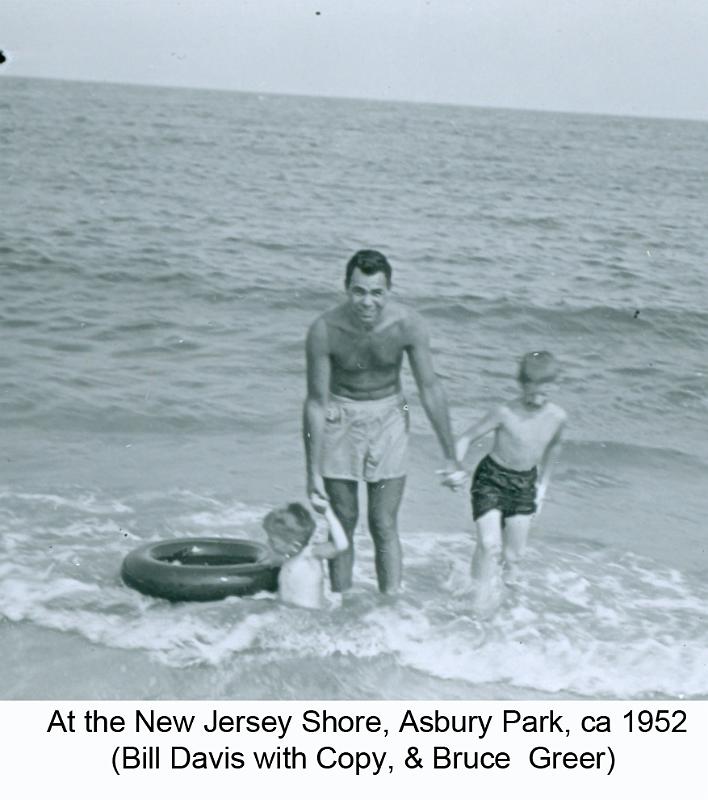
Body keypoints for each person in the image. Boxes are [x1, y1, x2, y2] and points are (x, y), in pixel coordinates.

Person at [303, 249, 462, 595]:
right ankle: (342, 603)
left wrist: (450, 454)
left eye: (377, 292)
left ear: (389, 290)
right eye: (359, 291)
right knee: (343, 520)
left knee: (383, 522)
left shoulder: (408, 325)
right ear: (346, 288)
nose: (367, 302)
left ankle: (390, 607)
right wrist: (311, 472)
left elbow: (430, 388)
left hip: (390, 415)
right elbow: (316, 402)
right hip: (340, 415)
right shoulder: (324, 329)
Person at [454, 351, 566, 614]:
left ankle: (510, 613)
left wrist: (542, 488)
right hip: (491, 478)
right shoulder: (504, 412)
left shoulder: (558, 417)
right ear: (521, 384)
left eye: (543, 393)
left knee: (514, 557)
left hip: (525, 484)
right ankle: (477, 603)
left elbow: (555, 447)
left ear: (554, 386)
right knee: (488, 544)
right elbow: (465, 438)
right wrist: (455, 466)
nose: (536, 400)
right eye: (531, 392)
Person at [263, 495, 348, 609]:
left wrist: (328, 513)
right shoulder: (287, 558)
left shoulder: (310, 555)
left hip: (309, 614)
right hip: (288, 611)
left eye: (272, 540)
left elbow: (341, 545)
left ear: (294, 544)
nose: (268, 542)